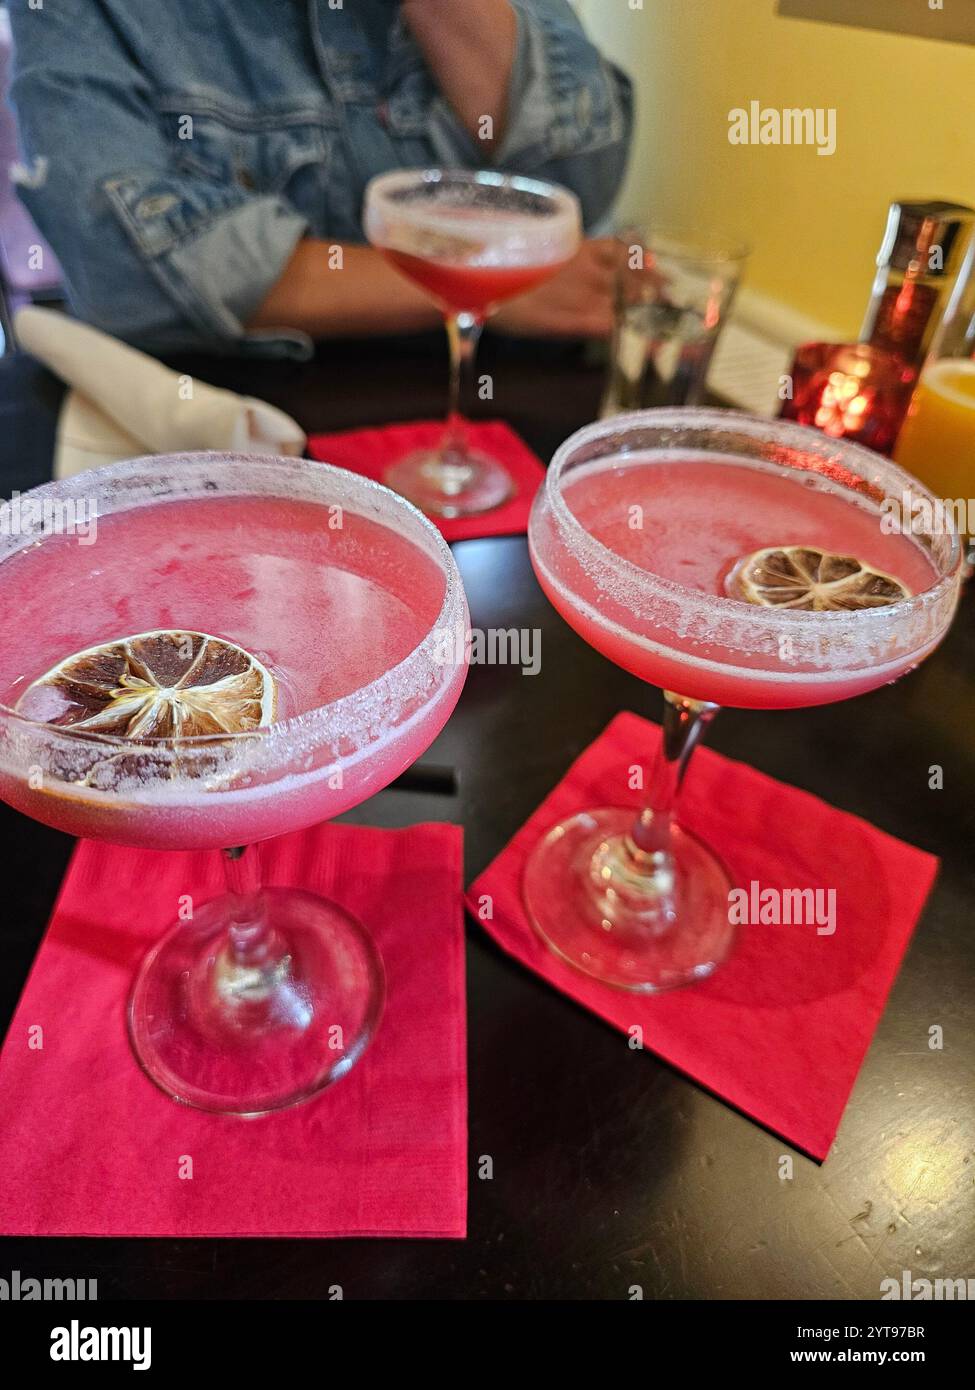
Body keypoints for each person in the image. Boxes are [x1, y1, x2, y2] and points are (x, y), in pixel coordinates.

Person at [8, 0, 633, 359]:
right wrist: (480, 279)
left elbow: (578, 180)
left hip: (491, 410)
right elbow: (121, 271)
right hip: (206, 435)